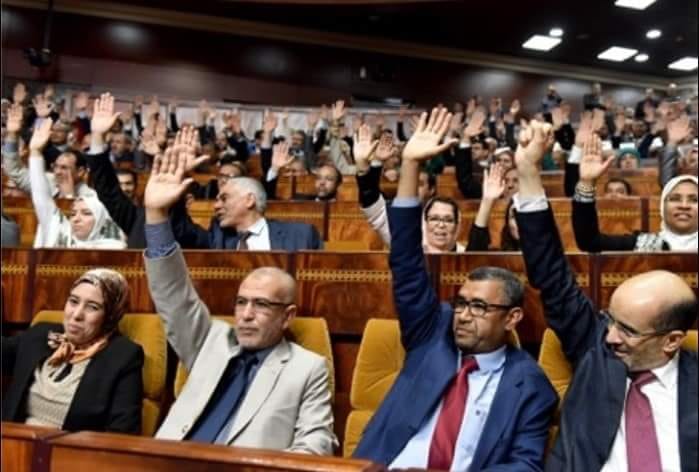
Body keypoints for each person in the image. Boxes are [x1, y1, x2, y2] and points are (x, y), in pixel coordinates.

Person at [353, 106, 557, 471]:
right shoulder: (432, 335)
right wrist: (410, 166)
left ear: (512, 318)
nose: (462, 316)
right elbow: (406, 263)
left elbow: (524, 466)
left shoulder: (530, 384)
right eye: (461, 303)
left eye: (479, 307)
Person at [511, 119, 698, 471]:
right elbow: (552, 275)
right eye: (611, 321)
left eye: (627, 330)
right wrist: (527, 171)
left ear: (672, 340)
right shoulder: (596, 353)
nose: (610, 336)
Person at [141, 146, 337, 453]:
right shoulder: (211, 340)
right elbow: (173, 296)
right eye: (241, 302)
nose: (245, 315)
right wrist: (156, 216)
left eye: (261, 305)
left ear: (287, 316)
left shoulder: (306, 368)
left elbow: (316, 445)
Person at [2, 268, 144, 433]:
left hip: (69, 448)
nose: (76, 315)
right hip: (12, 442)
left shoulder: (123, 356)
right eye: (73, 301)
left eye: (92, 307)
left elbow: (122, 432)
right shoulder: (40, 334)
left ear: (110, 316)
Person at [573, 134, 697, 252]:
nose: (684, 205)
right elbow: (589, 242)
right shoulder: (645, 243)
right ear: (662, 207)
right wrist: (587, 182)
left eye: (694, 200)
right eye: (675, 199)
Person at [28, 119, 127, 249]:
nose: (76, 219)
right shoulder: (58, 225)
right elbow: (39, 195)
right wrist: (35, 152)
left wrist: (69, 197)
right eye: (73, 214)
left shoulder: (113, 246)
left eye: (86, 213)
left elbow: (102, 177)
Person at [3, 103, 95, 199]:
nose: (57, 172)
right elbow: (15, 171)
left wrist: (68, 196)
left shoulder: (90, 196)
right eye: (55, 166)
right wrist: (12, 134)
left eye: (64, 168)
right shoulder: (48, 180)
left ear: (80, 171)